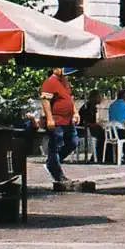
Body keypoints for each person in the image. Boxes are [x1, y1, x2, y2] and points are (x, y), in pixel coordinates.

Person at [39, 65, 79, 193]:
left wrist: (75, 112)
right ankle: (57, 173)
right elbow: (45, 101)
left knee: (73, 142)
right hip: (57, 120)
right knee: (56, 145)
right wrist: (50, 118)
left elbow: (69, 98)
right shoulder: (49, 82)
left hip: (68, 121)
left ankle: (52, 163)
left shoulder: (65, 82)